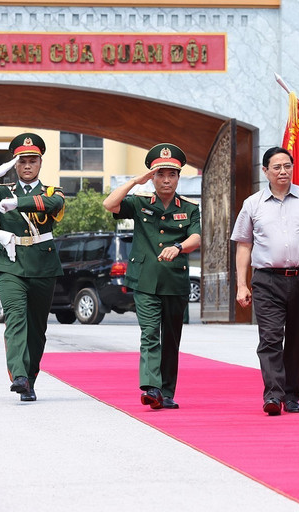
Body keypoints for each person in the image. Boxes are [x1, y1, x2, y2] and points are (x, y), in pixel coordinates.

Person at [231, 147, 299, 416]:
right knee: (270, 338)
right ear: (265, 171)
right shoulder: (252, 204)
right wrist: (242, 285)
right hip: (267, 280)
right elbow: (244, 245)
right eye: (276, 167)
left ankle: (291, 396)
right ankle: (273, 395)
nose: (283, 171)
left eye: (287, 166)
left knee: (298, 340)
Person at [104, 143, 200, 410]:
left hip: (175, 282)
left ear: (178, 178)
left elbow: (196, 237)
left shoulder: (189, 208)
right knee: (149, 333)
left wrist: (178, 246)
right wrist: (136, 181)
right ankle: (151, 388)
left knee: (171, 338)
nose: (166, 180)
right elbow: (109, 204)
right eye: (160, 174)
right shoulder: (140, 202)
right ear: (153, 177)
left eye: (172, 174)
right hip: (144, 280)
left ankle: (166, 392)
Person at [0, 133, 65, 402]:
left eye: (32, 160)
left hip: (43, 266)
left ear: (40, 163)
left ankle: (30, 380)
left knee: (37, 328)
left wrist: (18, 203)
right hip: (10, 265)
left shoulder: (52, 191)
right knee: (14, 319)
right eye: (21, 161)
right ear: (15, 164)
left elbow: (55, 205)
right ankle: (19, 376)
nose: (27, 165)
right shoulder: (2, 191)